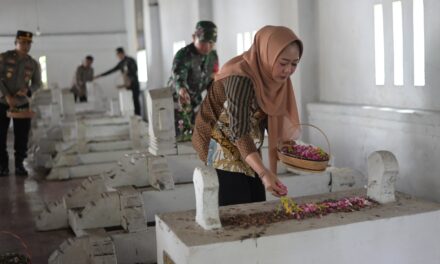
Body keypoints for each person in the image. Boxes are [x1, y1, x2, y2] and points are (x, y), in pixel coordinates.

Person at [192, 26, 303, 206]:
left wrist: (284, 143)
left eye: (294, 64)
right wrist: (264, 172)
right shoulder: (240, 77)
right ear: (267, 55)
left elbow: (270, 113)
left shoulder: (273, 79)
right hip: (219, 141)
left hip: (248, 142)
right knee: (238, 207)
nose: (288, 70)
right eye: (283, 63)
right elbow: (239, 130)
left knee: (257, 200)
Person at [0, 30, 42, 176]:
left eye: (28, 43)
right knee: (0, 135)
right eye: (22, 42)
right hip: (2, 102)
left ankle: (19, 165)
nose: (26, 45)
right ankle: (2, 166)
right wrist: (6, 96)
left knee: (22, 136)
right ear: (16, 42)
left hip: (21, 104)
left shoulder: (33, 63)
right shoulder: (4, 58)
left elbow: (38, 83)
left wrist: (28, 90)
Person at [169, 21, 219, 141]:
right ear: (193, 37)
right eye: (203, 42)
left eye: (211, 43)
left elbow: (213, 78)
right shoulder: (183, 55)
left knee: (200, 134)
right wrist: (182, 90)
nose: (207, 46)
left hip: (196, 99)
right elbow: (178, 77)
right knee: (181, 137)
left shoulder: (213, 56)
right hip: (178, 100)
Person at [95, 47, 141, 116]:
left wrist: (128, 75)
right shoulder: (121, 63)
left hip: (134, 84)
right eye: (117, 55)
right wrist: (100, 75)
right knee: (129, 101)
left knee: (135, 101)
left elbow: (135, 70)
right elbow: (112, 70)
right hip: (127, 86)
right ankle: (131, 116)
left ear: (122, 53)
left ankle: (138, 116)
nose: (118, 56)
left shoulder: (130, 60)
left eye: (118, 54)